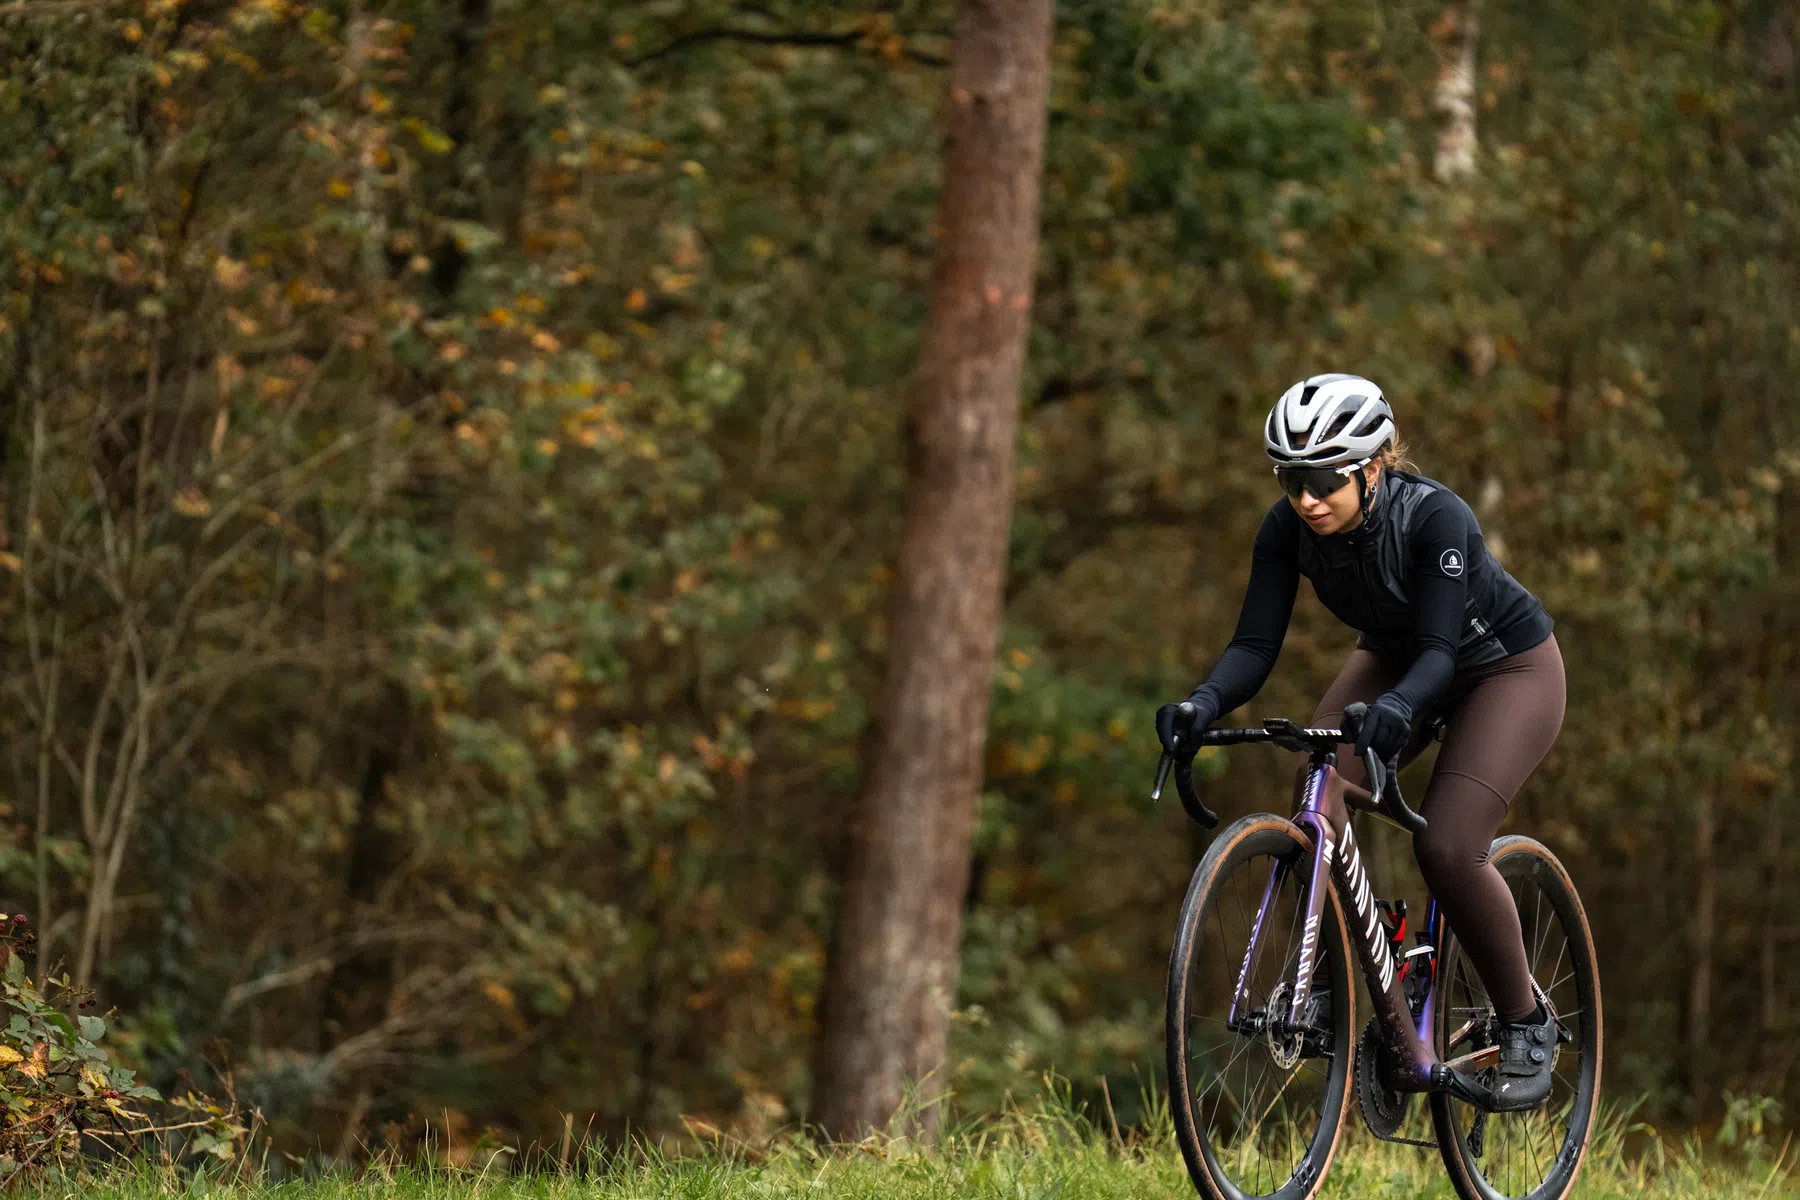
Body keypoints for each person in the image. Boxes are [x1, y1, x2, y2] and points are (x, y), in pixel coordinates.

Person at [1154, 372, 1565, 1112]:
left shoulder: (1437, 519)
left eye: (1322, 477)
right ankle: (1350, 982)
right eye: (1289, 477)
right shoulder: (1287, 529)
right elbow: (1253, 644)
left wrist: (1401, 707)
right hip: (1399, 660)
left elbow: (1440, 652)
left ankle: (1528, 1021)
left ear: (1373, 466)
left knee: (1445, 846)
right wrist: (1201, 703)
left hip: (1505, 670)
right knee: (1319, 791)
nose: (1305, 496)